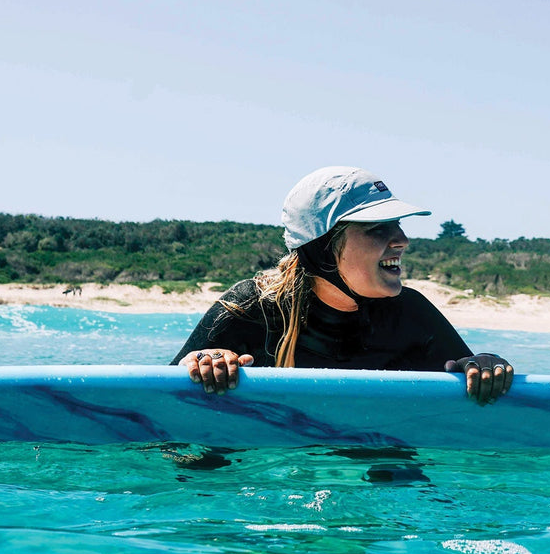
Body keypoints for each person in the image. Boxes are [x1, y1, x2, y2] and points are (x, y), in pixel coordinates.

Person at [172, 166, 514, 404]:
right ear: (321, 249)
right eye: (377, 228)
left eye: (396, 224)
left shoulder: (410, 314)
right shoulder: (252, 309)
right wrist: (202, 364)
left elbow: (472, 382)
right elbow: (157, 402)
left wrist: (484, 366)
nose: (402, 240)